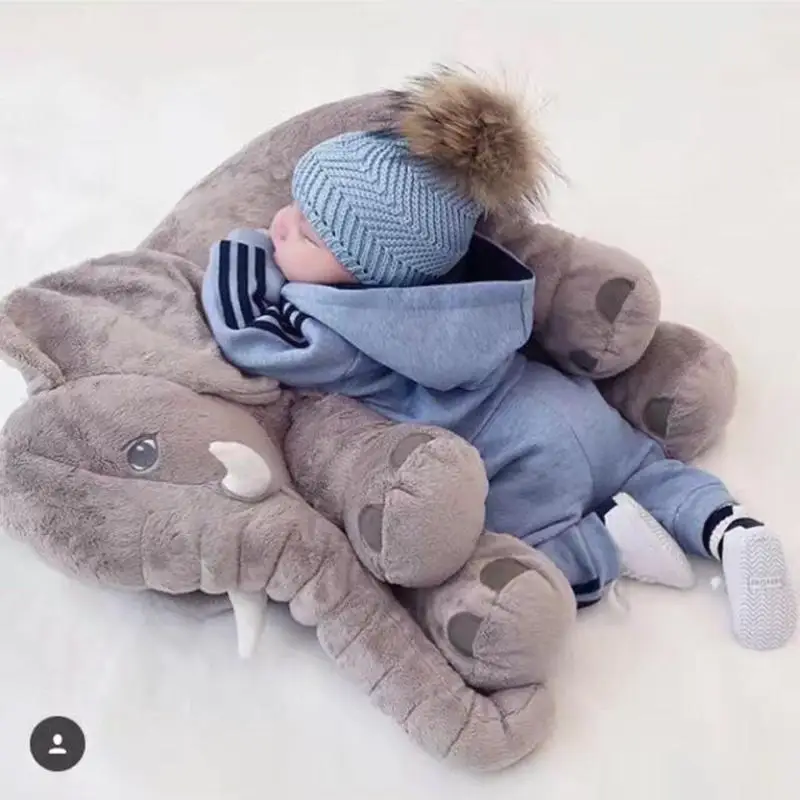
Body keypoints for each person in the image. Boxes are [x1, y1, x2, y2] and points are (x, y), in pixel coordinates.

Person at [202, 69, 796, 650]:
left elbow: (251, 334)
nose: (280, 223)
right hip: (570, 405)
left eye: (306, 234)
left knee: (534, 545)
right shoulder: (480, 286)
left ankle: (608, 546)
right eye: (293, 207)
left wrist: (241, 244)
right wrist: (304, 244)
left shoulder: (345, 328)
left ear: (367, 276)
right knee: (652, 471)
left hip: (516, 460)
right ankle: (732, 528)